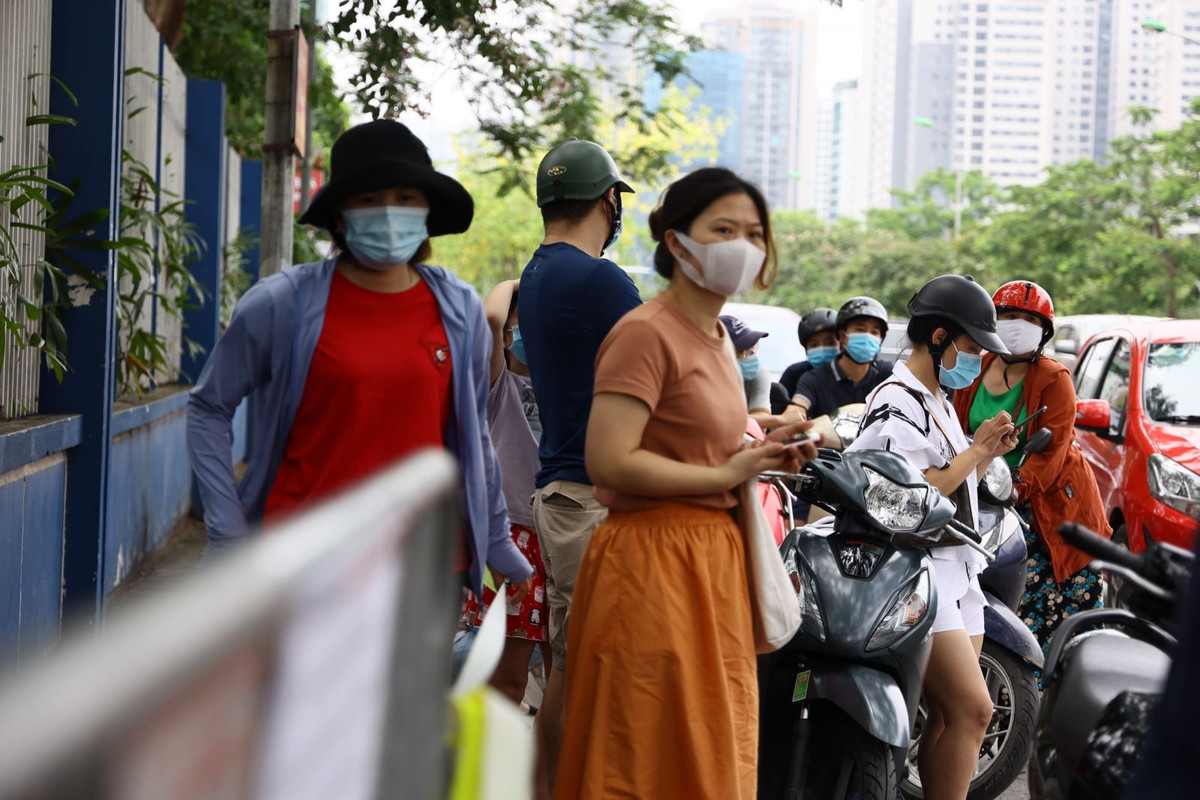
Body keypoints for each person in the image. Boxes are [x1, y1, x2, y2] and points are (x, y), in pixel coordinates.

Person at [187, 119, 533, 602]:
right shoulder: (282, 304)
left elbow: (472, 436)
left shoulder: (459, 310)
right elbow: (208, 408)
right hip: (303, 569)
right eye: (369, 199)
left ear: (428, 211)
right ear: (340, 216)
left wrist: (496, 542)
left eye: (406, 198)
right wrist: (225, 528)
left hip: (425, 572)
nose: (389, 213)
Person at [555, 167, 818, 799]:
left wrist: (765, 449)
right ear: (676, 242)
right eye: (723, 229)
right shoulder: (645, 332)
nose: (743, 246)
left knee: (710, 745)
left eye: (754, 233)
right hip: (652, 565)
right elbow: (609, 460)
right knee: (642, 755)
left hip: (713, 563)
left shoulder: (722, 340)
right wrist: (725, 472)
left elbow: (705, 444)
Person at [848, 275, 1018, 800]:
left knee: (951, 713)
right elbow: (909, 493)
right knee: (973, 708)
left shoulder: (936, 398)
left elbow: (950, 476)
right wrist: (978, 449)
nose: (975, 363)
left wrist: (984, 451)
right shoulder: (896, 400)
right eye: (970, 349)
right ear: (939, 338)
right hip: (919, 572)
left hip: (955, 569)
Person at [517, 138, 641, 790]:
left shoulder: (538, 272)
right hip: (590, 499)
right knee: (585, 669)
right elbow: (668, 362)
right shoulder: (598, 279)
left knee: (569, 663)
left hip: (563, 493)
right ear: (606, 200)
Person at [953, 280, 1111, 656]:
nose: (1016, 324)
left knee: (1046, 608)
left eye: (1028, 318)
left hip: (1045, 505)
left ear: (1044, 332)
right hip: (979, 495)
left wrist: (1015, 487)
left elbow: (1052, 451)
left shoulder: (1055, 378)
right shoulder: (974, 367)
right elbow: (955, 432)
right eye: (1007, 316)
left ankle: (1043, 694)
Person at [462, 279, 551, 706]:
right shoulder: (499, 387)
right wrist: (519, 285)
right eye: (525, 323)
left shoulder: (568, 390)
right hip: (513, 535)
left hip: (558, 533)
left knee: (560, 679)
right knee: (508, 681)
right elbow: (491, 317)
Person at [793, 296, 893, 421]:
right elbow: (798, 406)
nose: (867, 336)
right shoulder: (813, 379)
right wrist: (794, 414)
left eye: (874, 332)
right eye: (860, 329)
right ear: (842, 336)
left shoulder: (888, 374)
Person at [721, 314, 801, 431]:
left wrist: (766, 420)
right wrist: (780, 420)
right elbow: (713, 421)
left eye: (752, 348)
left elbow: (762, 418)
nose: (751, 354)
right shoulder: (699, 380)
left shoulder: (758, 373)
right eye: (742, 350)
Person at [779, 307, 838, 400]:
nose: (822, 350)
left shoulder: (855, 373)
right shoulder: (794, 374)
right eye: (814, 345)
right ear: (806, 349)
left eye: (830, 343)